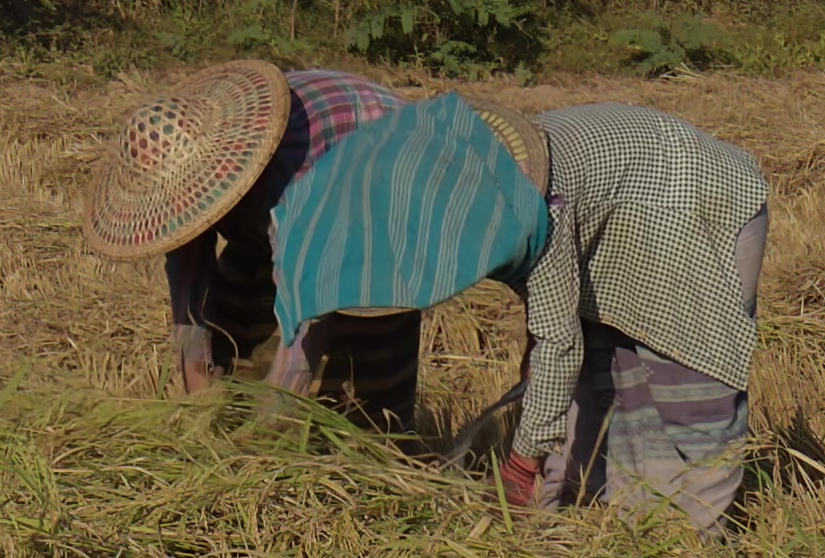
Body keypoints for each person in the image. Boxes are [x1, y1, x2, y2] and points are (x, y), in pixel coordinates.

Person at [272, 95, 770, 535]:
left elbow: (558, 343)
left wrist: (521, 463)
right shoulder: (478, 185)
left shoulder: (538, 203)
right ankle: (626, 521)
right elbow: (554, 329)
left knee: (683, 382)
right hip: (618, 204)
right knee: (605, 376)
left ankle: (692, 541)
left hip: (693, 200)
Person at [79, 59, 422, 427]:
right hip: (281, 195)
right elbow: (190, 303)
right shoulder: (193, 189)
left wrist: (267, 427)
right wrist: (201, 404)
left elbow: (307, 327)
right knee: (237, 317)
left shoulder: (293, 190)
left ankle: (370, 446)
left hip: (387, 180)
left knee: (362, 349)